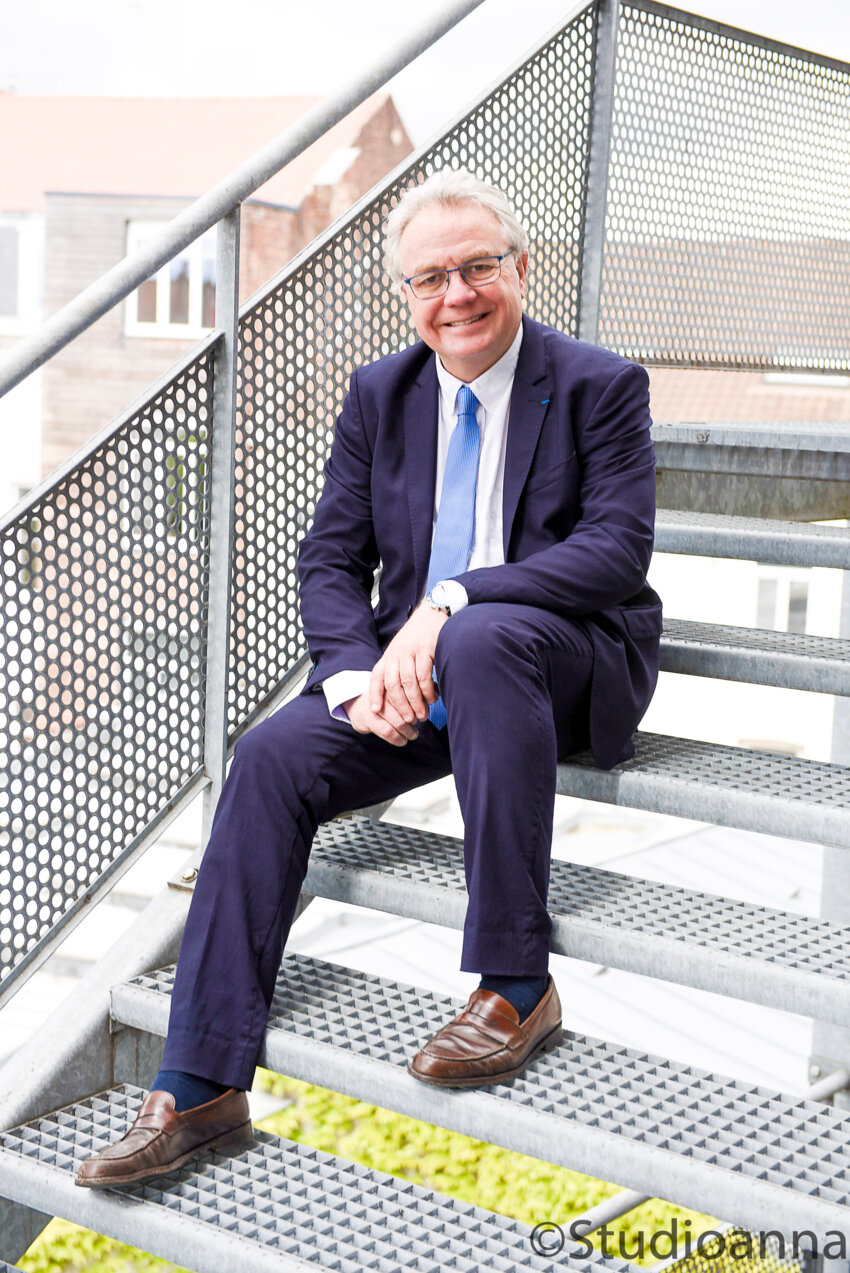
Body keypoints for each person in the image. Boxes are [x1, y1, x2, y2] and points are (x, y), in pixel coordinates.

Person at [76, 168, 661, 1189]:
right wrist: (351, 679)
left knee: (479, 640)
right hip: (410, 676)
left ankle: (516, 984)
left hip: (555, 663)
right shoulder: (380, 394)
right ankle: (199, 1080)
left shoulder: (597, 384)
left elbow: (615, 553)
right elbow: (329, 560)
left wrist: (451, 600)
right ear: (406, 294)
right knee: (267, 757)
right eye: (431, 277)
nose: (458, 296)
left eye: (479, 267)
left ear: (519, 269)